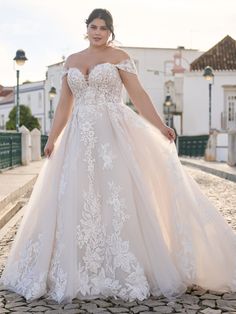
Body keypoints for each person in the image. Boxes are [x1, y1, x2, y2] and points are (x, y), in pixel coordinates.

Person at [1, 8, 236, 305]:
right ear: (85, 28)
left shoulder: (119, 57)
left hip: (113, 134)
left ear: (111, 31)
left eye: (103, 27)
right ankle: (77, 264)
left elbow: (139, 95)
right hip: (77, 138)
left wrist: (161, 125)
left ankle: (122, 263)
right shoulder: (71, 61)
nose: (97, 31)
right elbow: (64, 106)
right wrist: (53, 138)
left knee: (115, 195)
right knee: (76, 196)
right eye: (93, 26)